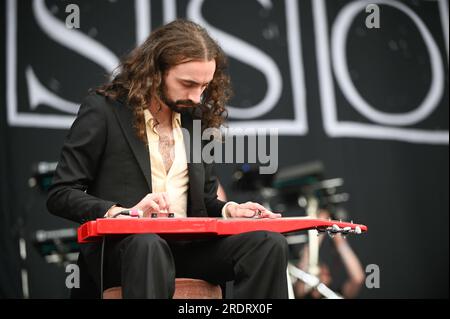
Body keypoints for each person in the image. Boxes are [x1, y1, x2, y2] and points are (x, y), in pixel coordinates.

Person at [46, 19, 288, 299]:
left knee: (269, 243)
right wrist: (120, 212)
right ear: (154, 71)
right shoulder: (104, 111)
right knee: (148, 245)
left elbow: (204, 201)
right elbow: (61, 193)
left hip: (189, 250)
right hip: (126, 250)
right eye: (187, 84)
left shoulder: (195, 119)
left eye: (204, 86)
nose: (197, 97)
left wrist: (229, 210)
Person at [293, 210, 365, 299]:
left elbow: (358, 279)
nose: (323, 272)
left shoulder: (335, 295)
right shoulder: (302, 295)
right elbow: (305, 261)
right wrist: (321, 226)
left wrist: (339, 241)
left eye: (325, 273)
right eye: (320, 272)